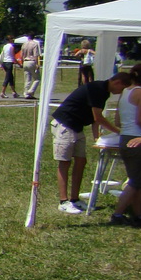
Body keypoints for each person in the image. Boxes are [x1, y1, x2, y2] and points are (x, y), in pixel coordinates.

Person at [51, 72, 130, 214]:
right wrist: (119, 132)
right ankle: (63, 201)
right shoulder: (97, 89)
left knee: (81, 161)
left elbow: (94, 119)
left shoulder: (104, 92)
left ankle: (75, 199)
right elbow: (99, 118)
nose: (120, 93)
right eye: (122, 89)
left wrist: (97, 138)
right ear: (117, 82)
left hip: (77, 127)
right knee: (65, 162)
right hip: (65, 124)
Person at [111, 63, 141, 225]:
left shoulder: (124, 92)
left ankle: (138, 214)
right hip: (137, 138)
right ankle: (118, 214)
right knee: (135, 182)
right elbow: (140, 120)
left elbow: (117, 120)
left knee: (136, 179)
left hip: (124, 137)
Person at [19, 34, 41, 99]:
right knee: (37, 79)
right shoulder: (35, 44)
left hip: (25, 61)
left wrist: (22, 63)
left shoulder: (24, 44)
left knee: (27, 79)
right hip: (31, 61)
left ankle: (26, 93)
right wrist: (37, 63)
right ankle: (31, 91)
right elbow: (35, 55)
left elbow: (21, 55)